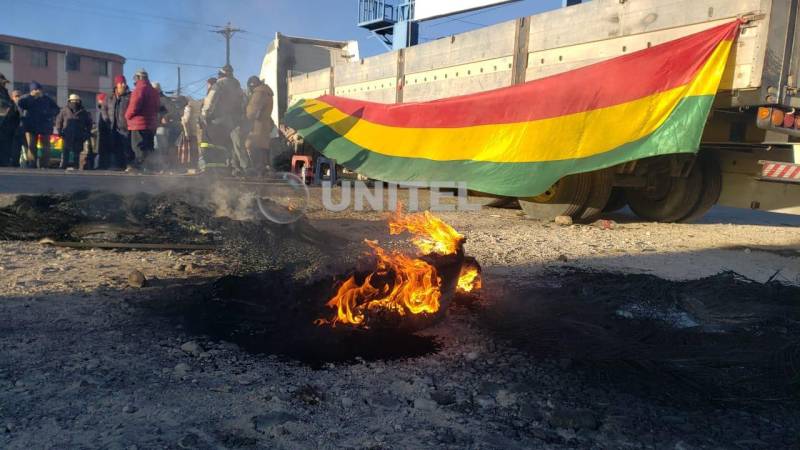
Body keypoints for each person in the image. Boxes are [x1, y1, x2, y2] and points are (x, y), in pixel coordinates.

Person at [201, 65, 243, 173]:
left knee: (210, 142)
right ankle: (231, 168)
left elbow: (210, 100)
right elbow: (243, 102)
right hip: (233, 120)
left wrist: (205, 115)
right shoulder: (237, 85)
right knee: (228, 145)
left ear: (221, 74)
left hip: (218, 119)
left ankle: (208, 167)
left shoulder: (219, 84)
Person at [17, 81, 59, 168]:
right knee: (31, 145)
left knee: (46, 146)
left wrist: (48, 113)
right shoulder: (27, 98)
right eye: (35, 89)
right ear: (31, 90)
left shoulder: (47, 99)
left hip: (44, 126)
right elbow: (20, 104)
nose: (38, 91)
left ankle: (44, 164)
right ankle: (32, 163)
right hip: (30, 126)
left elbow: (56, 109)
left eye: (39, 89)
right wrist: (32, 97)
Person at [124, 69, 160, 171]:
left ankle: (139, 168)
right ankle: (150, 168)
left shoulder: (139, 89)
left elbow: (134, 106)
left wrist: (127, 116)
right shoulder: (154, 91)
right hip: (151, 124)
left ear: (138, 78)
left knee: (139, 148)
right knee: (149, 147)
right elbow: (157, 107)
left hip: (138, 124)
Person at [244, 76, 274, 176]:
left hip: (256, 128)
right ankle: (264, 173)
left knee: (255, 150)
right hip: (264, 127)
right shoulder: (267, 93)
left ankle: (258, 176)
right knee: (263, 151)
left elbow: (251, 112)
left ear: (252, 85)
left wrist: (244, 117)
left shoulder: (259, 93)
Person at [54, 94, 93, 169]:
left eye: (76, 101)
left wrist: (87, 133)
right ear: (69, 101)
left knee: (76, 152)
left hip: (79, 135)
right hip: (67, 134)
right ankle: (63, 165)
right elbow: (59, 120)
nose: (74, 103)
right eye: (73, 101)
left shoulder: (83, 112)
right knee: (66, 151)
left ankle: (76, 165)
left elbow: (89, 123)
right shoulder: (64, 110)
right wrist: (59, 131)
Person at [108, 75, 131, 170]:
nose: (123, 85)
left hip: (125, 126)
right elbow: (104, 109)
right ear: (116, 85)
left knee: (126, 146)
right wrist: (107, 119)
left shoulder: (129, 96)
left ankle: (128, 165)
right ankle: (116, 165)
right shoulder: (110, 97)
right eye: (121, 83)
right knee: (115, 146)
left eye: (124, 83)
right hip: (113, 126)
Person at [0, 73, 20, 167]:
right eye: (3, 82)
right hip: (2, 122)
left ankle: (4, 162)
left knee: (6, 144)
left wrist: (13, 107)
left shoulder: (4, 91)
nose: (5, 84)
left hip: (6, 125)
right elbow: (3, 104)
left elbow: (9, 104)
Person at [93, 92, 111, 170]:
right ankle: (102, 165)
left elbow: (106, 121)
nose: (98, 102)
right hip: (103, 133)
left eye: (99, 100)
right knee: (102, 150)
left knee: (103, 150)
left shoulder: (104, 110)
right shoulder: (102, 110)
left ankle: (103, 165)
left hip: (105, 134)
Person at [10, 90, 25, 167]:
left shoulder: (24, 106)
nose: (18, 98)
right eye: (16, 96)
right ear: (12, 97)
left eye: (19, 96)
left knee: (22, 149)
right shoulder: (10, 106)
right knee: (15, 149)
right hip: (13, 131)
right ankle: (14, 164)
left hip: (23, 131)